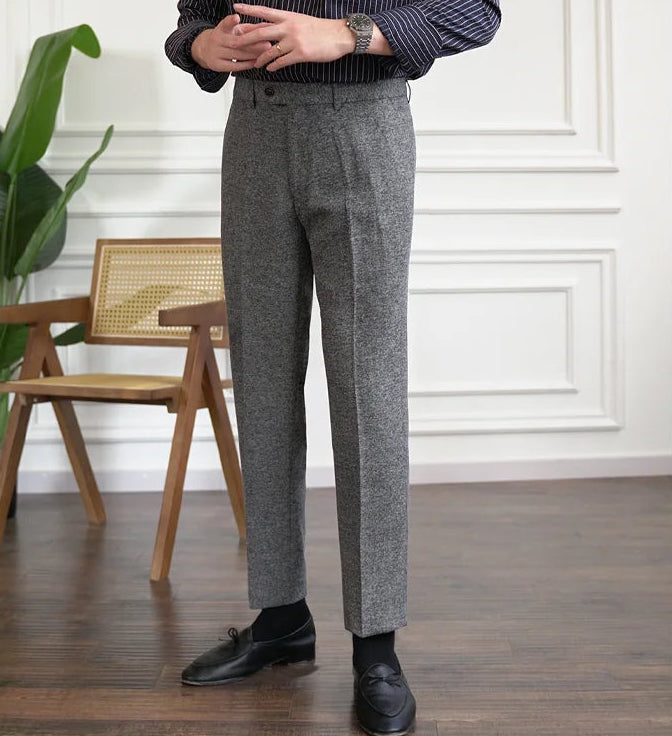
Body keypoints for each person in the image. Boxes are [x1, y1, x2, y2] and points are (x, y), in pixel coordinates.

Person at [165, 1, 501, 733]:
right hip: (255, 131)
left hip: (364, 124)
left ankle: (376, 646)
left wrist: (348, 35)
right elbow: (193, 17)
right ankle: (280, 615)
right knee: (261, 379)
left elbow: (476, 12)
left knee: (366, 389)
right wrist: (199, 45)